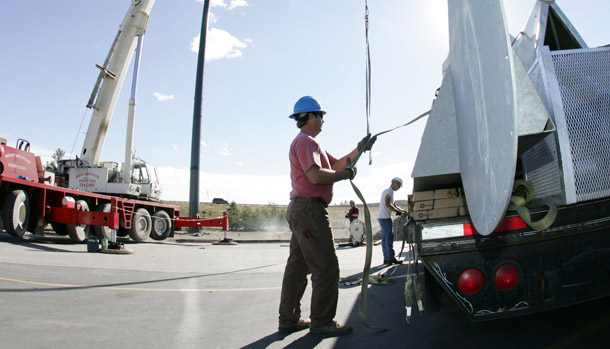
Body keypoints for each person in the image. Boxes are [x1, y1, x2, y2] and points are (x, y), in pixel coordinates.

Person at [278, 95, 376, 336]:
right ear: (311, 116)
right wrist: (346, 175)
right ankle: (322, 321)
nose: (323, 120)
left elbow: (339, 164)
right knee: (327, 267)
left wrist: (360, 149)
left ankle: (289, 319)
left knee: (298, 268)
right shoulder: (305, 142)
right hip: (310, 211)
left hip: (302, 211)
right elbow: (316, 176)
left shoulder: (312, 144)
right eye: (321, 116)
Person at [377, 177, 407, 265]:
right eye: (399, 185)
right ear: (395, 183)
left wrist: (402, 211)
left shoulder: (387, 191)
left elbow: (393, 205)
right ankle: (390, 258)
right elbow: (387, 204)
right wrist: (398, 213)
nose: (398, 188)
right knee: (389, 237)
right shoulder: (389, 191)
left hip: (382, 217)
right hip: (385, 218)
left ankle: (386, 258)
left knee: (385, 238)